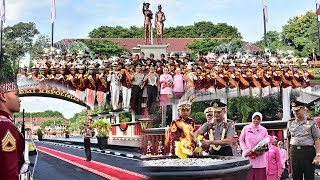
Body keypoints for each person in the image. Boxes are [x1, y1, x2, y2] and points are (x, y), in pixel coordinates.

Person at [0, 72, 25, 180]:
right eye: (16, 94)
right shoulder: (5, 127)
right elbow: (9, 173)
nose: (19, 99)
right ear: (3, 95)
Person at [286, 100, 320, 180]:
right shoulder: (290, 122)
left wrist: (318, 155)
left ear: (304, 109)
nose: (295, 113)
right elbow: (288, 139)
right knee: (296, 176)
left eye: (297, 110)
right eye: (294, 111)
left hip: (307, 152)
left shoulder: (311, 122)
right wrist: (288, 153)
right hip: (294, 151)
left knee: (309, 175)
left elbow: (317, 139)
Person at [239, 112, 268, 180]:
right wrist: (246, 150)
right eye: (254, 118)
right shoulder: (246, 128)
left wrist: (259, 151)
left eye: (258, 119)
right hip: (248, 157)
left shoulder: (264, 130)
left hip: (260, 159)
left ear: (261, 120)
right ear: (252, 118)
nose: (256, 120)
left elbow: (267, 143)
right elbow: (241, 140)